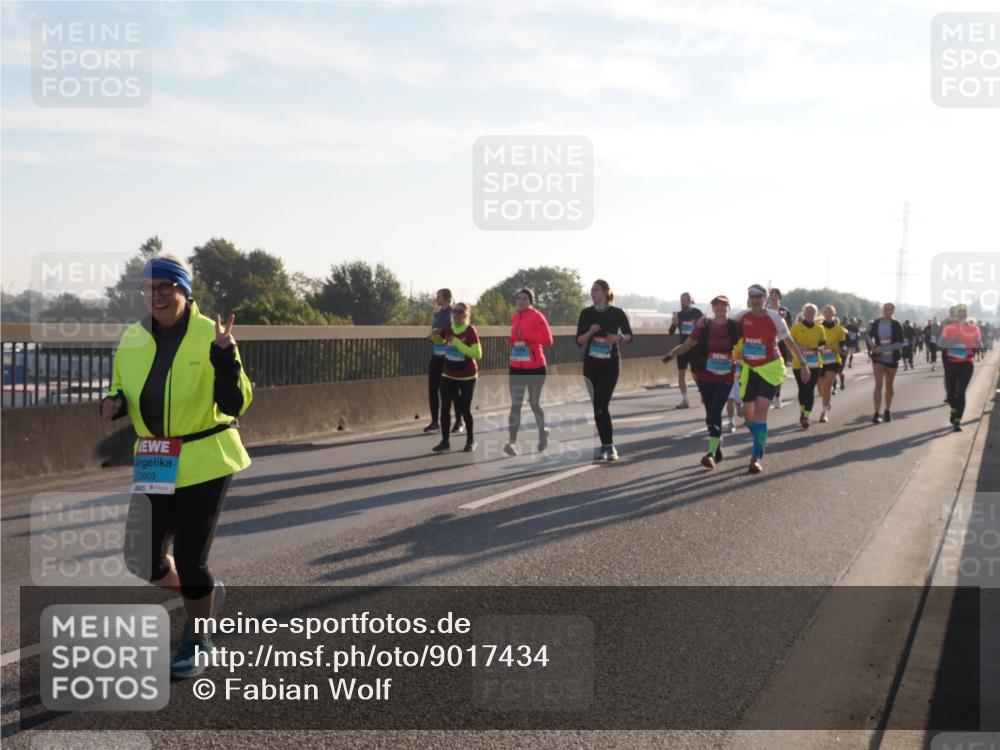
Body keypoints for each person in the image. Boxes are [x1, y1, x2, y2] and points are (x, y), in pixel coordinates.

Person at [101, 253, 253, 679]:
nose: (157, 296)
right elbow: (120, 387)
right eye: (149, 289)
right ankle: (202, 593)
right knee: (141, 558)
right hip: (155, 456)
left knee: (189, 558)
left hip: (205, 455)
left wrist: (226, 359)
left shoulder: (212, 334)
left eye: (166, 287)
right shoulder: (133, 337)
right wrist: (113, 403)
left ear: (184, 290)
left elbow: (236, 403)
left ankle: (198, 638)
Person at [730, 284, 811, 474]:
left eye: (759, 297)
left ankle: (755, 457)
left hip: (771, 369)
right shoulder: (741, 317)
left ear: (764, 299)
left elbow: (789, 342)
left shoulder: (775, 317)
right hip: (751, 369)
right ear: (749, 299)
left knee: (761, 409)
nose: (755, 300)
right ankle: (760, 438)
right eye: (752, 296)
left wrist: (803, 363)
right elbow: (723, 330)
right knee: (748, 416)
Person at [666, 295, 741, 468]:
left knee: (715, 412)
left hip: (725, 376)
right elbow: (687, 344)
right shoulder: (704, 326)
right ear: (712, 308)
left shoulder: (735, 326)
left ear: (728, 307)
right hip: (706, 376)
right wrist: (671, 353)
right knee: (709, 415)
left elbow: (753, 335)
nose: (719, 308)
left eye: (723, 305)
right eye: (716, 305)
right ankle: (716, 444)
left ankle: (710, 454)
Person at [577, 279, 634, 461]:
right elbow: (579, 341)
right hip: (591, 365)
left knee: (602, 404)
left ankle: (610, 446)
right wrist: (590, 332)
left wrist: (617, 338)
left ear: (606, 292)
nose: (592, 293)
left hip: (610, 365)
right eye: (592, 290)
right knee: (597, 407)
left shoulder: (616, 313)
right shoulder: (586, 313)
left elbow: (629, 336)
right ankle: (604, 445)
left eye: (596, 290)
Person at [504, 289, 554, 456]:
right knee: (515, 404)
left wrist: (528, 338)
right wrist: (511, 341)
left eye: (525, 298)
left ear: (530, 301)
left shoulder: (537, 316)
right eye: (519, 298)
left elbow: (548, 340)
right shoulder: (515, 317)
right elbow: (516, 338)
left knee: (534, 403)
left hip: (536, 367)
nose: (521, 301)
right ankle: (511, 443)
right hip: (517, 366)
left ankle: (542, 432)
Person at [431, 302, 482, 452]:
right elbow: (440, 340)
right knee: (445, 408)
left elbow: (477, 354)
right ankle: (445, 442)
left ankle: (471, 440)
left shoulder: (470, 330)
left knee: (465, 409)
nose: (457, 314)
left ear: (467, 314)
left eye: (460, 312)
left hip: (467, 375)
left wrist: (458, 343)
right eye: (455, 311)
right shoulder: (448, 327)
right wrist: (435, 336)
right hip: (449, 373)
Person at [424, 289, 464, 435]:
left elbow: (457, 333)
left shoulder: (454, 314)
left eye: (439, 297)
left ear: (447, 298)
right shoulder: (437, 315)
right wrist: (432, 336)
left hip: (450, 357)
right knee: (432, 390)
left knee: (453, 392)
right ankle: (435, 422)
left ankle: (459, 421)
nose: (436, 298)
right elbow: (436, 333)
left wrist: (442, 335)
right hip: (437, 355)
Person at [939, 304, 982, 432]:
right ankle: (954, 410)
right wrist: (952, 341)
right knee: (951, 395)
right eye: (960, 312)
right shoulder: (949, 328)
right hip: (951, 364)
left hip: (966, 364)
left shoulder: (973, 328)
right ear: (956, 314)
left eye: (965, 311)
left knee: (961, 393)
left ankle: (957, 421)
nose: (963, 314)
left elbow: (980, 344)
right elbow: (941, 344)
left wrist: (978, 343)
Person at [866, 303, 905, 423]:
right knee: (878, 385)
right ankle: (876, 413)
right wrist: (873, 346)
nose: (888, 311)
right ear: (882, 310)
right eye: (886, 309)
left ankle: (887, 410)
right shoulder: (876, 323)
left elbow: (901, 343)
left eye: (890, 309)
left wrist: (884, 349)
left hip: (892, 358)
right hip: (878, 358)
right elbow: (868, 336)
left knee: (889, 386)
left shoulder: (896, 324)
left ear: (893, 311)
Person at [788, 303, 826, 429]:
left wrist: (820, 348)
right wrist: (799, 347)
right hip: (799, 362)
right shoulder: (796, 328)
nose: (810, 313)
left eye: (813, 311)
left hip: (815, 363)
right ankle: (802, 410)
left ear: (816, 314)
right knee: (802, 389)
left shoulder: (820, 328)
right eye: (808, 311)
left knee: (809, 389)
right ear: (804, 313)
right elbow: (790, 343)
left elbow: (823, 343)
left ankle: (806, 416)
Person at [667, 292, 703, 409]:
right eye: (681, 300)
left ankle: (703, 392)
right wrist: (674, 324)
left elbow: (704, 330)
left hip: (695, 348)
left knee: (695, 374)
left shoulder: (697, 313)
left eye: (685, 300)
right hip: (682, 348)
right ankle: (685, 400)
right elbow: (671, 332)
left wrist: (697, 326)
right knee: (681, 373)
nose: (682, 302)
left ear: (690, 300)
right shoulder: (679, 314)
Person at [818, 305, 848, 423]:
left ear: (834, 314)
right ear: (823, 314)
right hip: (819, 360)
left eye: (830, 312)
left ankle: (824, 412)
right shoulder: (818, 327)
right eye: (826, 312)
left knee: (827, 386)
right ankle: (826, 400)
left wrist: (839, 350)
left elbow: (842, 346)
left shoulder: (839, 329)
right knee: (820, 388)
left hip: (833, 360)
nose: (828, 314)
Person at [766, 288, 793, 409]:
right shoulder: (765, 310)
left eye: (775, 294)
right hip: (768, 343)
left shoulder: (784, 310)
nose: (773, 296)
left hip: (781, 343)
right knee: (767, 369)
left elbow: (789, 327)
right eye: (771, 294)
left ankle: (777, 396)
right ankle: (768, 395)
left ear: (779, 296)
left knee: (779, 370)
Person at [725, 338, 745, 433]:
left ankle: (738, 406)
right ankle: (731, 423)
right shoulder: (721, 344)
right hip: (726, 377)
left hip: (737, 377)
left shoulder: (740, 342)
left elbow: (743, 360)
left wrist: (738, 360)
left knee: (739, 404)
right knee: (730, 400)